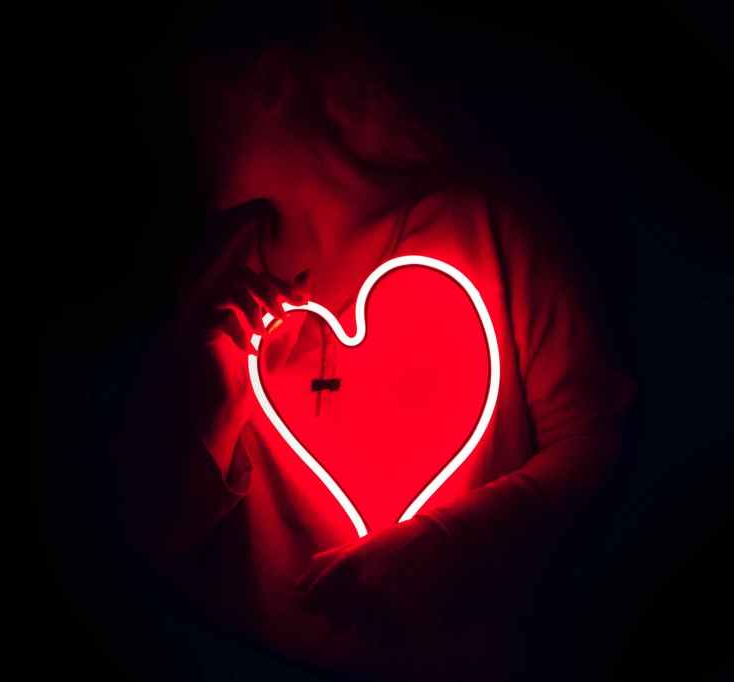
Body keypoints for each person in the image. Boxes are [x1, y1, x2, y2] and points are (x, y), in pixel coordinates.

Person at [112, 22, 636, 682]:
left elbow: (598, 442)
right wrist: (212, 413)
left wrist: (448, 545)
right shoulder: (217, 279)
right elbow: (150, 543)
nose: (168, 115)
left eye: (191, 87)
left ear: (272, 84)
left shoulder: (487, 227)